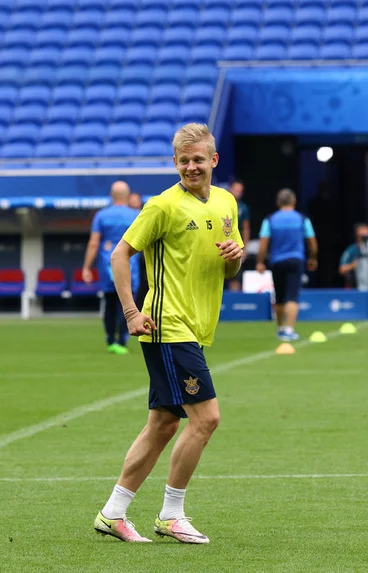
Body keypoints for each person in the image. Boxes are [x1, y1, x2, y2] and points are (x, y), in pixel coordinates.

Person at [93, 123, 243, 544]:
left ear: (214, 160)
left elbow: (229, 266)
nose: (191, 167)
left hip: (196, 327)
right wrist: (130, 312)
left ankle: (113, 513)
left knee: (162, 425)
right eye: (184, 161)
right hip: (166, 325)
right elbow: (120, 254)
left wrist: (237, 256)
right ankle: (171, 514)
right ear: (175, 163)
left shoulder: (227, 202)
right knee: (206, 419)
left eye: (199, 159)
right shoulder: (162, 206)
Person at [82, 181, 140, 355]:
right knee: (127, 303)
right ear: (128, 196)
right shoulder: (136, 215)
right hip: (130, 267)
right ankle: (122, 341)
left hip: (108, 266)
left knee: (109, 304)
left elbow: (93, 243)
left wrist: (86, 267)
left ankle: (110, 340)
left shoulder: (101, 216)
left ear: (111, 196)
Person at [256, 188, 318, 341]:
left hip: (277, 261)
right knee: (292, 295)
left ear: (278, 202)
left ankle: (279, 328)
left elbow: (263, 243)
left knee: (280, 296)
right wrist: (313, 258)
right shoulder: (302, 219)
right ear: (294, 201)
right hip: (295, 260)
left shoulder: (270, 219)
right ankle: (289, 330)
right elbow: (312, 241)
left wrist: (260, 262)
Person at [227, 179, 250, 291]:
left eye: (240, 191)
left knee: (236, 275)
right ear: (230, 189)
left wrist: (244, 248)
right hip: (221, 243)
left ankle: (234, 301)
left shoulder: (243, 208)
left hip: (236, 244)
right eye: (236, 189)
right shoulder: (221, 204)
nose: (238, 192)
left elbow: (246, 229)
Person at [338, 223, 368, 288]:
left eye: (366, 236)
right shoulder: (351, 250)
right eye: (362, 236)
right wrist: (354, 265)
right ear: (356, 235)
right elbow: (342, 269)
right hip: (354, 287)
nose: (365, 238)